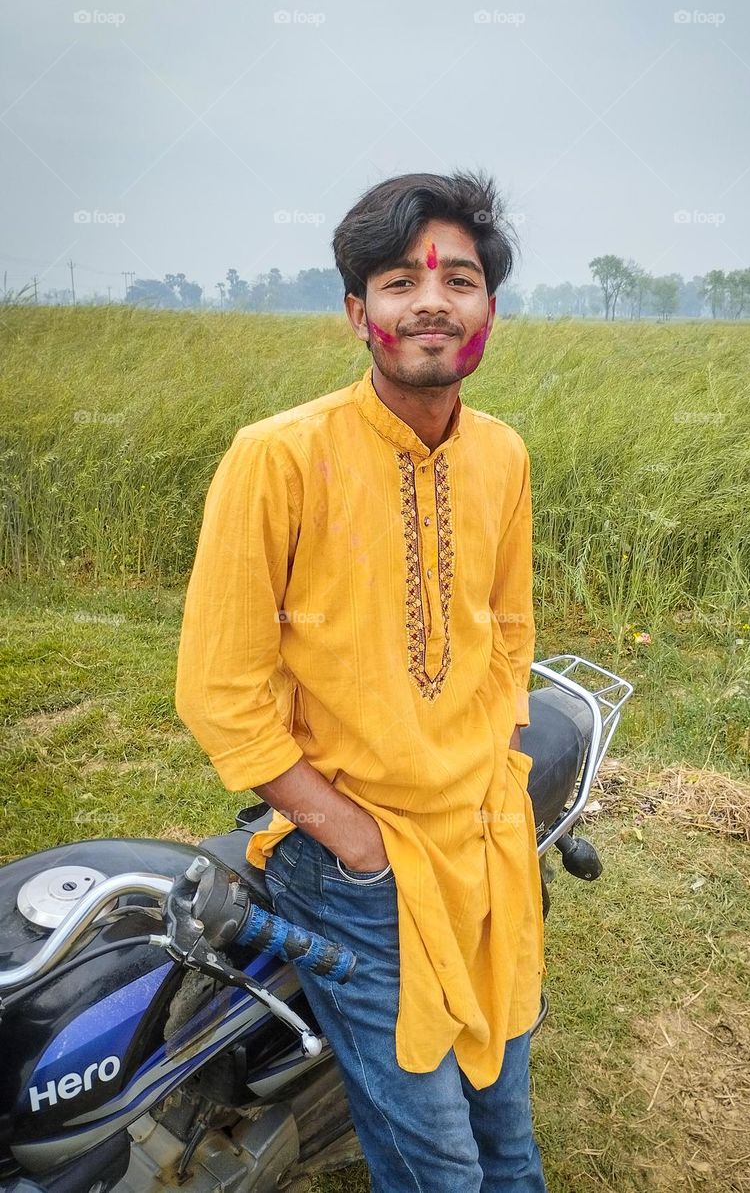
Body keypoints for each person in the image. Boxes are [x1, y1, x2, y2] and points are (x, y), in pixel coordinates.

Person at [174, 170, 548, 1191]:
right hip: (358, 874)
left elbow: (510, 625)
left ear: (488, 311)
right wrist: (352, 836)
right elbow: (220, 687)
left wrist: (497, 758)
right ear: (357, 313)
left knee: (507, 1130)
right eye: (397, 280)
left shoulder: (503, 455)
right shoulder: (277, 459)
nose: (431, 301)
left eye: (459, 278)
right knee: (441, 1166)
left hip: (486, 843)